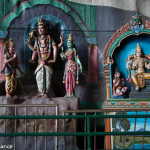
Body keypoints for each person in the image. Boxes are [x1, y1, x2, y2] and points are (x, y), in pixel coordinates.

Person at [26, 16, 63, 98]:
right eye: (39, 28)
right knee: (38, 77)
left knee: (47, 77)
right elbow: (35, 50)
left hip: (48, 61)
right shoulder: (37, 39)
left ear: (46, 29)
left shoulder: (49, 38)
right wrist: (29, 46)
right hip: (40, 61)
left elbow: (55, 47)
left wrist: (54, 59)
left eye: (42, 28)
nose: (40, 30)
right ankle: (40, 92)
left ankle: (46, 93)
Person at [60, 33, 82, 98]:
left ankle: (72, 93)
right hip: (67, 66)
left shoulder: (74, 51)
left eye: (70, 42)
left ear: (72, 43)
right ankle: (67, 93)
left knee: (72, 80)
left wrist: (80, 64)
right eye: (68, 43)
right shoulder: (66, 51)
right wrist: (62, 56)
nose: (68, 44)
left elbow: (77, 58)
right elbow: (64, 59)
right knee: (67, 80)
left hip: (73, 66)